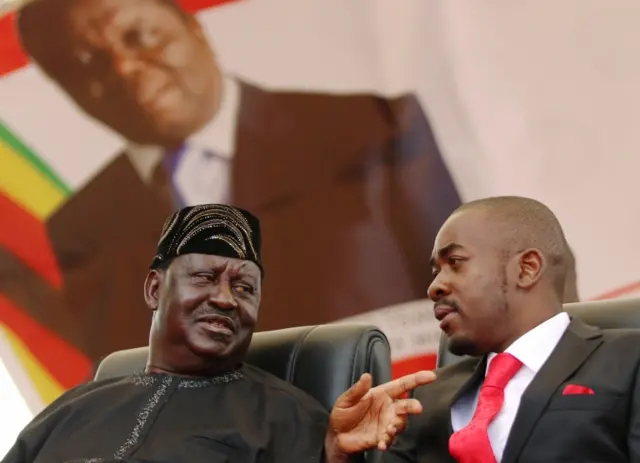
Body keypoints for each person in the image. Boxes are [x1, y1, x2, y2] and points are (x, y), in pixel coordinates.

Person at [3, 0, 462, 371]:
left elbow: (463, 299)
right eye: (85, 64)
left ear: (194, 29)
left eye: (139, 36)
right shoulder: (80, 227)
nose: (123, 68)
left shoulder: (372, 128)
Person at [1, 203, 435, 463]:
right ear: (155, 288)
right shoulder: (74, 408)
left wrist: (334, 458)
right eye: (205, 278)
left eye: (244, 287)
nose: (226, 299)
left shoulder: (289, 421)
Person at [340, 196, 640, 462]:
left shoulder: (628, 360)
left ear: (527, 268)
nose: (434, 287)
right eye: (435, 271)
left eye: (454, 262)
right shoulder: (424, 398)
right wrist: (338, 454)